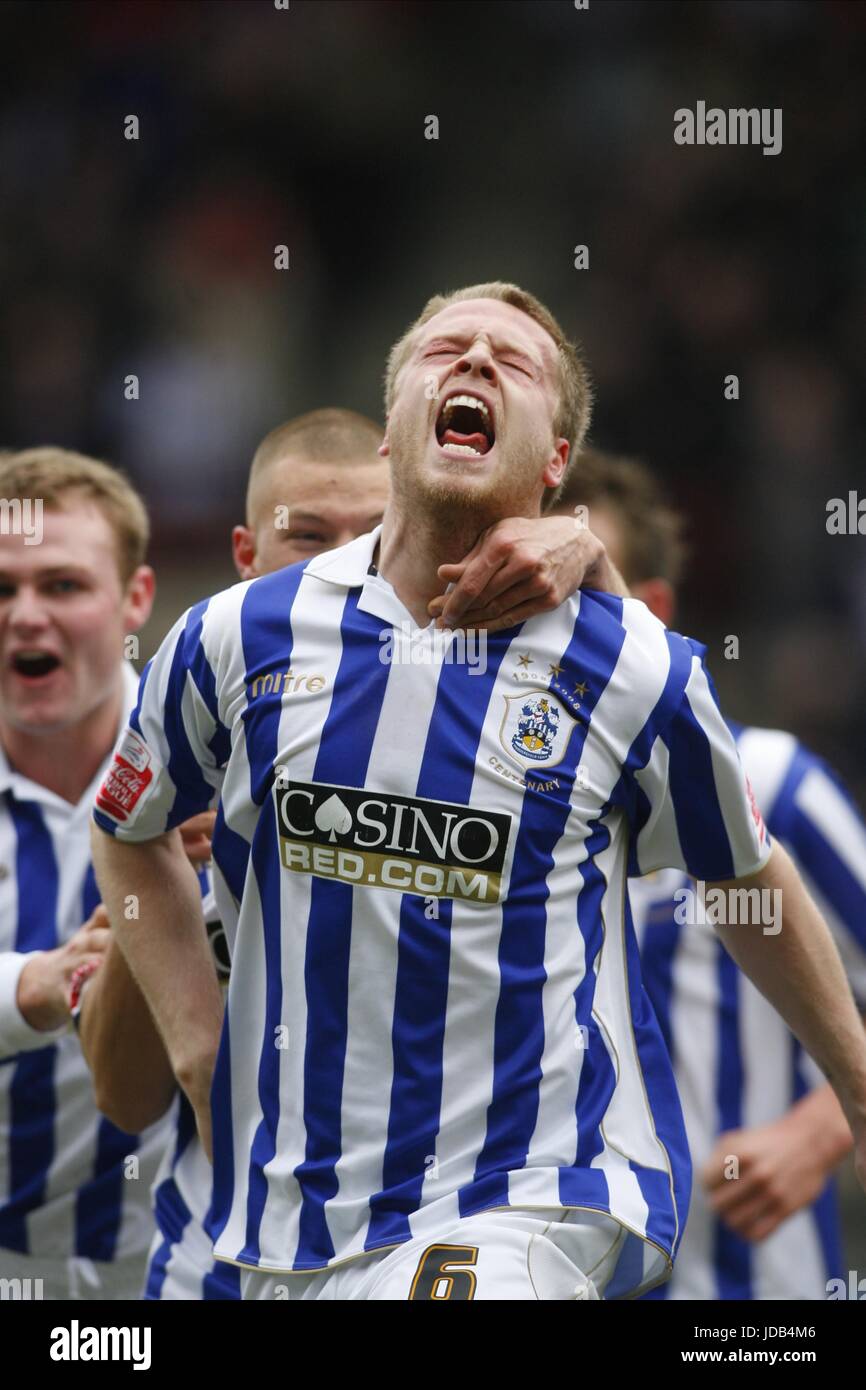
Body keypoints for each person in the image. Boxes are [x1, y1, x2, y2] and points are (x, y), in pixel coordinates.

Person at [91, 282, 866, 1301]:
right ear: (389, 432)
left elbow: (744, 873)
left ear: (553, 461)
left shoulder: (630, 661)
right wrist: (197, 1042)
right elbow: (125, 821)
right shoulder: (234, 635)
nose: (472, 362)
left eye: (515, 360)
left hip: (527, 1198)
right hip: (276, 1229)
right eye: (443, 347)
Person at [82, 405, 616, 1298]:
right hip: (208, 1267)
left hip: (429, 1255)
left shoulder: (495, 767)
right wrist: (180, 908)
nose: (341, 556)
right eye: (305, 535)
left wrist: (585, 545)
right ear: (247, 557)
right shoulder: (164, 771)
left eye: (371, 530)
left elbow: (630, 717)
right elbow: (123, 1097)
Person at [548, 449, 866, 1300]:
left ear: (649, 613)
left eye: (573, 592)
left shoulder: (775, 784)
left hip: (754, 1299)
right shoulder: (481, 806)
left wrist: (824, 1126)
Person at [0, 447, 174, 1300]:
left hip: (179, 1273)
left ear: (135, 598)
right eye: (3, 589)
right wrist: (33, 985)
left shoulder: (214, 766)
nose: (26, 616)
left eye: (62, 585)